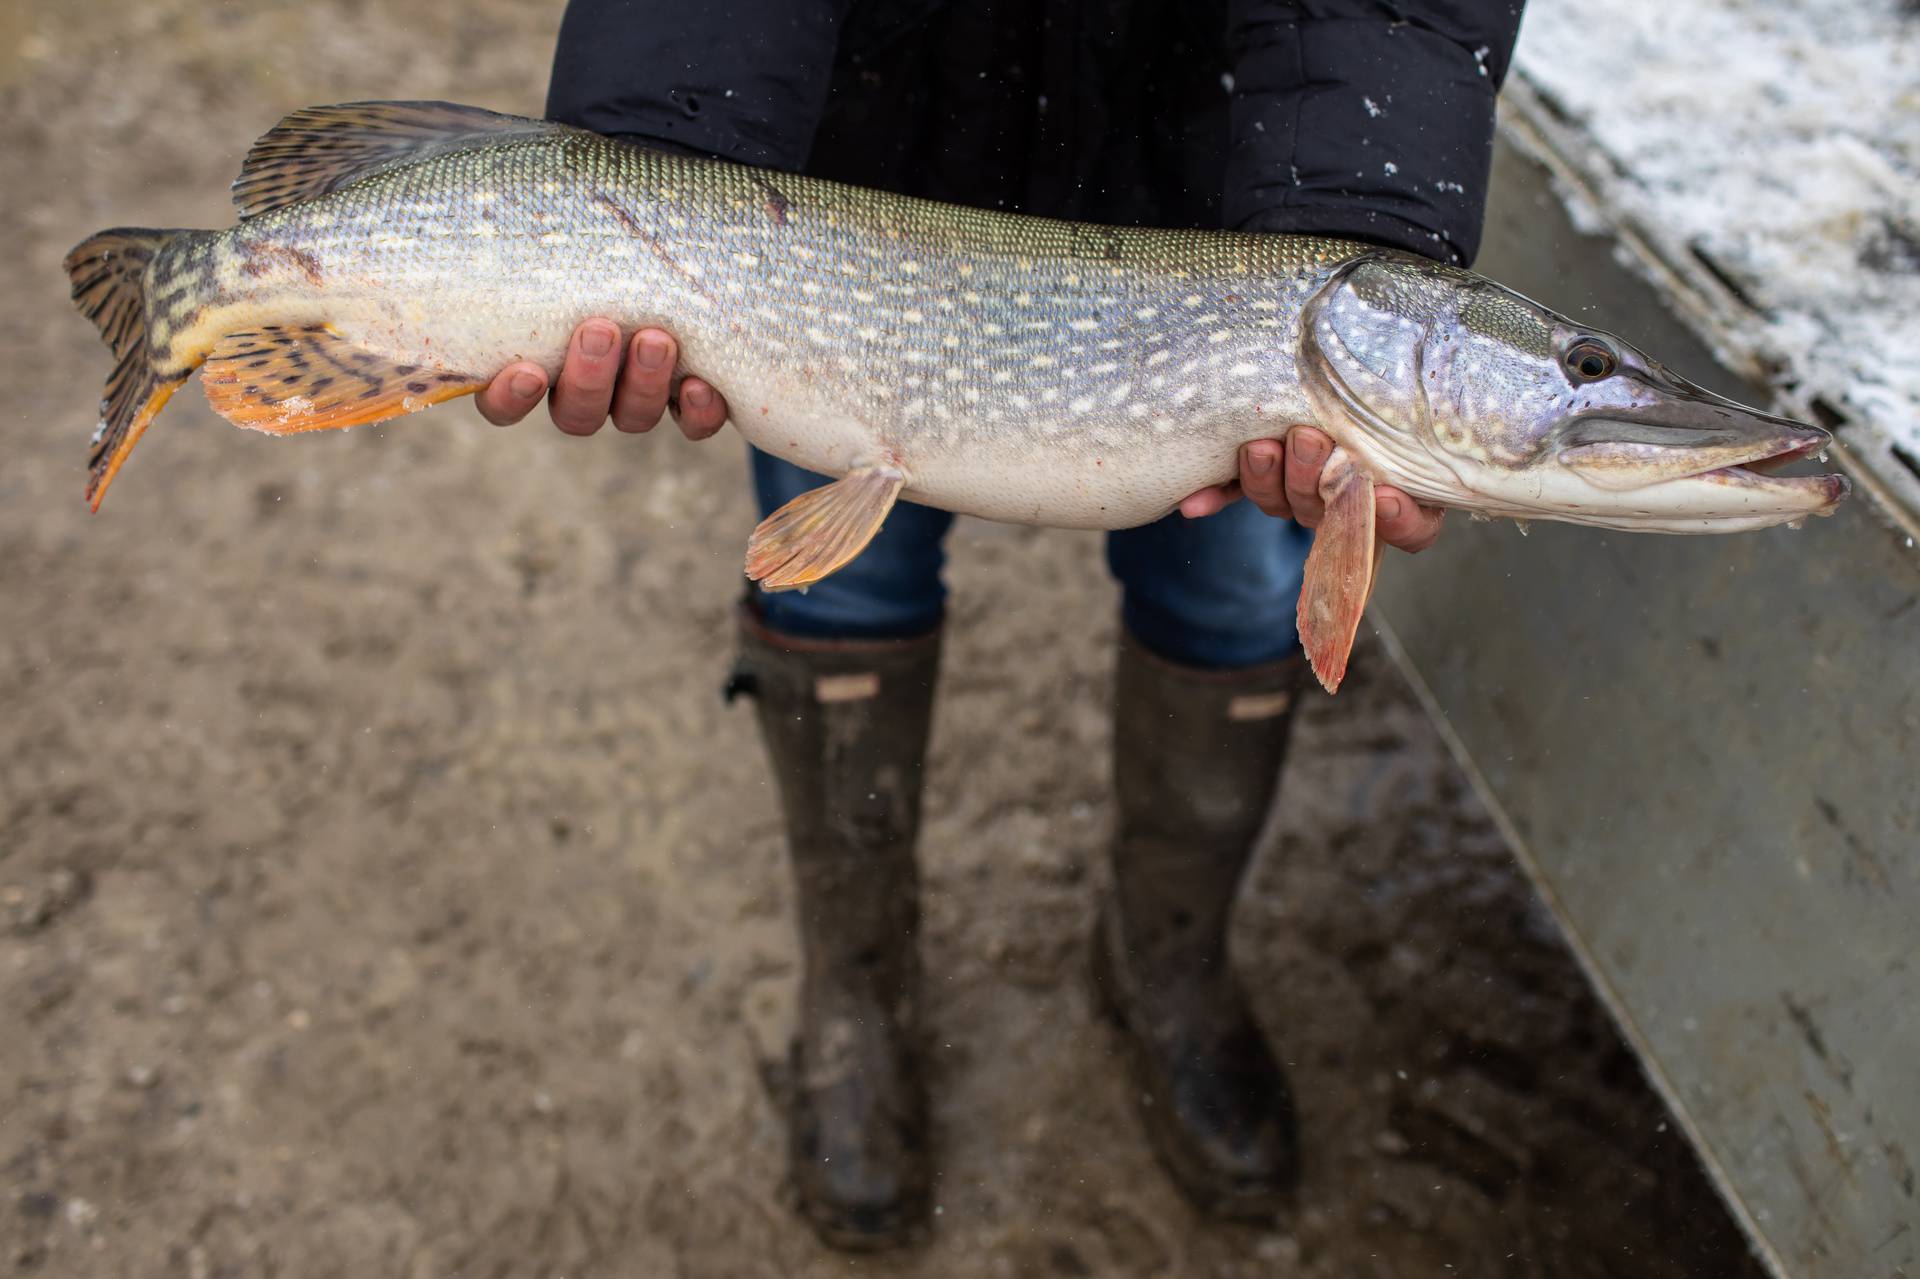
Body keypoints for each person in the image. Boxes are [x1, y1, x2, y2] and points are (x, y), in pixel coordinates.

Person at [478, 0, 1524, 1250]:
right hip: (845, 170)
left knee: (1243, 592)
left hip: (1243, 183)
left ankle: (1167, 966)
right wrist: (651, 149)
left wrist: (1357, 228)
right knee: (843, 581)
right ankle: (857, 992)